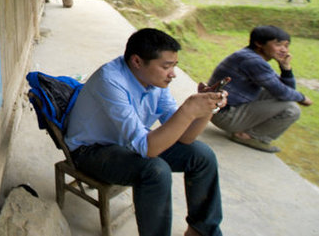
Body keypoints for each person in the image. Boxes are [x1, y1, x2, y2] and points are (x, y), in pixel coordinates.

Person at [65, 28, 225, 236]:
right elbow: (148, 149)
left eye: (174, 66)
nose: (173, 74)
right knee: (155, 171)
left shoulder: (156, 81)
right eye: (166, 67)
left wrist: (206, 108)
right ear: (137, 61)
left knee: (202, 156)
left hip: (128, 142)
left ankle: (201, 231)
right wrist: (188, 110)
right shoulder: (110, 81)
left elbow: (185, 137)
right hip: (91, 151)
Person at [208, 25, 312, 153]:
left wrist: (286, 68)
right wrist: (302, 97)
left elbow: (285, 91)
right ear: (259, 43)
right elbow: (283, 92)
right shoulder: (252, 61)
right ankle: (248, 136)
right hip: (224, 114)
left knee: (281, 97)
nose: (284, 50)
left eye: (286, 46)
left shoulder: (250, 57)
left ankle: (249, 133)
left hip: (222, 109)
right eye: (279, 45)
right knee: (291, 109)